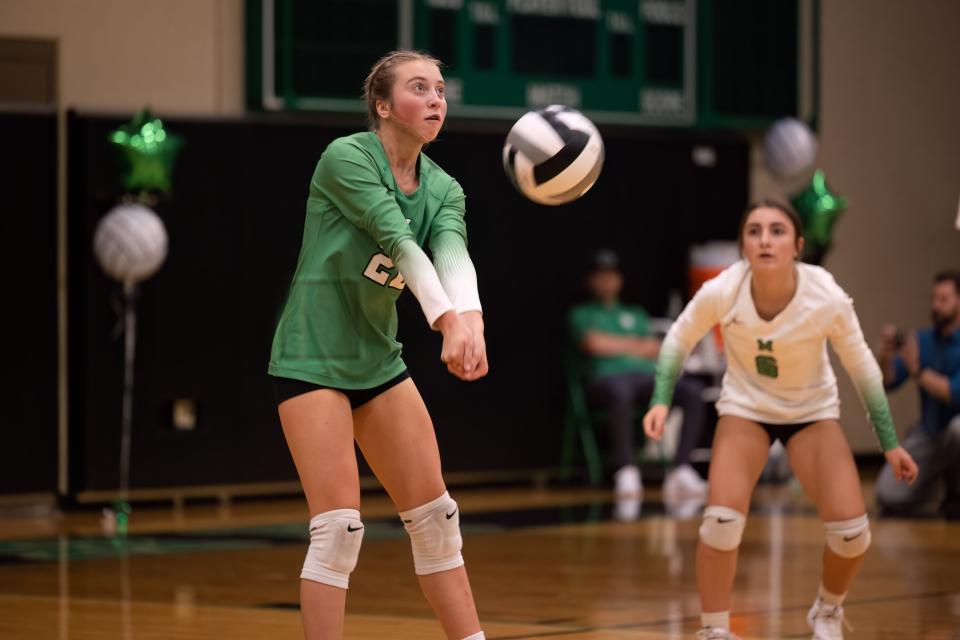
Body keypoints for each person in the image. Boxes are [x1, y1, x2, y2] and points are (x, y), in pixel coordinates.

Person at [268, 50, 487, 640]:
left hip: (376, 360)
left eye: (441, 89)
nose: (437, 99)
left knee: (438, 522)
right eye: (420, 88)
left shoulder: (445, 188)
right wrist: (446, 322)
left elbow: (451, 254)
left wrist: (473, 320)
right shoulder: (348, 158)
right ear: (384, 106)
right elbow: (396, 236)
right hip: (312, 358)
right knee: (338, 529)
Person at [642, 201, 918, 640]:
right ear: (743, 246)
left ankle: (827, 611)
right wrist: (660, 400)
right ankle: (714, 630)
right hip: (746, 409)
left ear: (798, 245)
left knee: (852, 534)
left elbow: (862, 365)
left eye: (777, 231)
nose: (765, 240)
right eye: (754, 231)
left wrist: (890, 443)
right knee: (721, 523)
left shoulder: (825, 295)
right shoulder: (723, 289)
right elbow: (679, 338)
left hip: (810, 412)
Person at [568, 249, 708, 499]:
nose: (607, 280)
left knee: (692, 391)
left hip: (646, 378)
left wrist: (618, 344)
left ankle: (681, 468)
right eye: (601, 275)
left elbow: (656, 347)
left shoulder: (635, 313)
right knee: (621, 391)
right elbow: (593, 343)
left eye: (612, 275)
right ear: (590, 280)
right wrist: (635, 345)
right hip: (606, 380)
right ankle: (626, 469)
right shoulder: (582, 314)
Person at [875, 270, 960, 518]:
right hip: (929, 435)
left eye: (943, 300)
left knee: (958, 430)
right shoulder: (923, 340)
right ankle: (934, 486)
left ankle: (956, 490)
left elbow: (954, 393)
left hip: (955, 433)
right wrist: (886, 358)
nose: (936, 306)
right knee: (887, 494)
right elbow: (889, 382)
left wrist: (918, 371)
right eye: (934, 299)